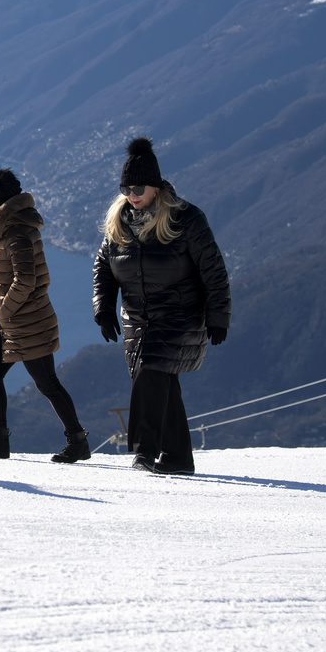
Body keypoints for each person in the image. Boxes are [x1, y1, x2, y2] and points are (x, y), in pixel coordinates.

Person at [92, 137, 230, 475]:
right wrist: (104, 308)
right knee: (163, 382)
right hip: (138, 321)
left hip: (181, 316)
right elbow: (103, 268)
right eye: (126, 187)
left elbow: (214, 270)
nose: (132, 194)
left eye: (138, 186)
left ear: (155, 185)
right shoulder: (119, 222)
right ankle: (178, 458)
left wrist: (219, 317)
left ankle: (144, 452)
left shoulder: (186, 219)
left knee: (151, 370)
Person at [0, 168, 91, 463]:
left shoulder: (17, 234)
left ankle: (78, 440)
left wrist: (5, 313)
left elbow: (26, 280)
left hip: (31, 323)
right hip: (13, 324)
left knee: (47, 383)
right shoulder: (9, 230)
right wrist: (1, 322)